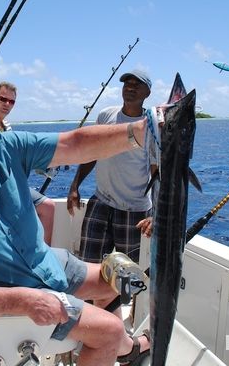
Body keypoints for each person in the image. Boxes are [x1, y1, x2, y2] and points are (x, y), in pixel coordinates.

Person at [0, 86, 150, 366]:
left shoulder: (4, 148)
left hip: (48, 264)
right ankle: (119, 345)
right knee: (111, 330)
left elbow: (75, 143)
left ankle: (121, 350)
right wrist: (22, 301)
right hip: (5, 304)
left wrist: (141, 132)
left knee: (113, 283)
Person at [66, 70, 156, 313]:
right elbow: (91, 152)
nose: (131, 87)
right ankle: (85, 317)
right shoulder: (106, 115)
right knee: (87, 265)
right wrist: (75, 186)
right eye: (127, 83)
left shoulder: (152, 126)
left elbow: (158, 172)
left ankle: (124, 324)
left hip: (134, 210)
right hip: (101, 201)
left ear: (148, 92)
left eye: (138, 85)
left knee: (129, 274)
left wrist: (155, 213)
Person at [0, 81, 56, 245]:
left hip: (10, 183)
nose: (7, 104)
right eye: (3, 99)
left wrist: (42, 166)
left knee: (48, 206)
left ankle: (44, 257)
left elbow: (16, 156)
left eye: (11, 101)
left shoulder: (6, 126)